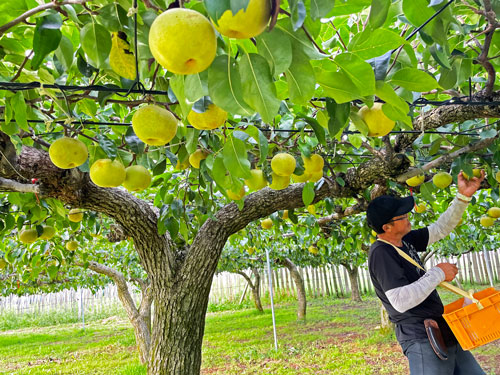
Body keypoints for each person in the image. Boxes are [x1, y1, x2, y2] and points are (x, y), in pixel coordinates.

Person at [366, 171, 486, 375]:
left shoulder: (406, 240)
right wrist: (438, 273)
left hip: (442, 328)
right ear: (387, 227)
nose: (408, 218)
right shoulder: (381, 253)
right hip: (421, 335)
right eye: (402, 216)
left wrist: (463, 197)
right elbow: (400, 300)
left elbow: (440, 228)